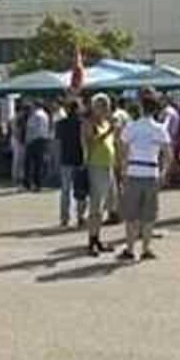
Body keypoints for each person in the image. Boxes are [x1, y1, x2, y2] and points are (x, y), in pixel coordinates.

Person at [117, 89, 172, 261]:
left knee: (131, 214)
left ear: (141, 107)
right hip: (152, 171)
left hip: (134, 171)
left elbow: (122, 149)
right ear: (155, 109)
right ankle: (146, 248)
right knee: (149, 214)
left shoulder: (131, 127)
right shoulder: (160, 129)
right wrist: (163, 172)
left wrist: (123, 170)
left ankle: (130, 248)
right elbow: (168, 154)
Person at [82, 94, 116, 255]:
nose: (105, 109)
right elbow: (90, 142)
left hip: (107, 165)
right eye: (101, 106)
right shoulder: (89, 123)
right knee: (96, 205)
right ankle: (92, 240)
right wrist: (108, 132)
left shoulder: (106, 122)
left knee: (103, 205)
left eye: (106, 105)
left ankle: (97, 238)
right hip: (96, 165)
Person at [54, 99, 87, 227]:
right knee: (81, 190)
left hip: (65, 159)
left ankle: (64, 218)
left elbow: (57, 143)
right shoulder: (82, 123)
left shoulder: (60, 124)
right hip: (79, 159)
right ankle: (80, 216)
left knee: (65, 190)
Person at [24, 100, 50, 192]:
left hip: (34, 140)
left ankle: (27, 183)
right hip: (43, 140)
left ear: (35, 105)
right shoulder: (45, 115)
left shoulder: (35, 115)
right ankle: (38, 184)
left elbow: (31, 128)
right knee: (39, 163)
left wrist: (28, 140)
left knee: (28, 162)